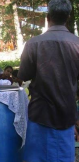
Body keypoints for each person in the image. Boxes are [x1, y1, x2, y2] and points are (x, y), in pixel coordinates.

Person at [18, 1, 79, 161]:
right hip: (66, 115)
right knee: (63, 156)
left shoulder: (33, 44)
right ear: (67, 17)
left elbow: (23, 75)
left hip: (40, 114)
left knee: (37, 157)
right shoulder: (77, 44)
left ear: (48, 17)